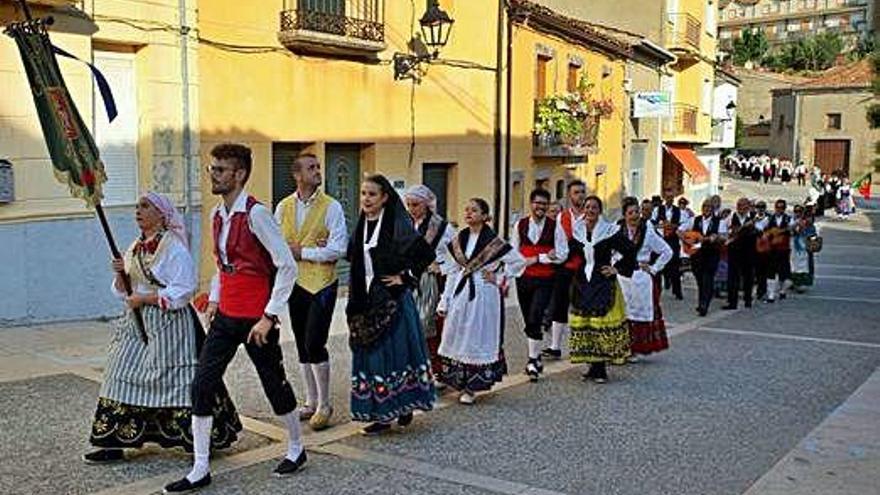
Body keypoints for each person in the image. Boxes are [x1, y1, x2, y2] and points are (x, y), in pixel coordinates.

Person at [165, 145, 305, 493]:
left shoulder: (256, 214)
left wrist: (269, 317)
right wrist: (213, 300)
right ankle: (200, 468)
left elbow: (286, 265)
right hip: (226, 316)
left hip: (257, 318)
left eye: (220, 170)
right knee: (201, 384)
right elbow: (221, 265)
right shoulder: (217, 213)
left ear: (239, 174)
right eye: (212, 169)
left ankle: (296, 447)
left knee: (275, 384)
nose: (213, 174)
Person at [84, 192, 240, 466]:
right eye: (136, 206)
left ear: (161, 214)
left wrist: (145, 298)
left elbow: (184, 290)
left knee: (177, 381)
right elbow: (124, 289)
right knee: (119, 373)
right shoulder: (134, 247)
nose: (138, 211)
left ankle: (197, 441)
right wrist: (120, 274)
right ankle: (112, 442)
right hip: (136, 324)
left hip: (171, 325)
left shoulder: (174, 249)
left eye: (145, 206)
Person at [347, 175, 436, 435]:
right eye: (363, 193)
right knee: (372, 357)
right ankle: (381, 412)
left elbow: (424, 254)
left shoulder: (398, 224)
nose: (366, 199)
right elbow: (354, 256)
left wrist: (405, 278)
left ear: (385, 197)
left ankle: (400, 406)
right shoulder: (362, 224)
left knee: (394, 356)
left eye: (372, 194)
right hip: (364, 300)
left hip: (392, 301)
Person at [274, 153, 347, 431]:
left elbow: (338, 248)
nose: (318, 172)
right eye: (312, 168)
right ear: (297, 175)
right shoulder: (283, 207)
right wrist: (315, 251)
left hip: (322, 284)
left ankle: (325, 403)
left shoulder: (332, 207)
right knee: (302, 344)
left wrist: (301, 251)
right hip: (295, 283)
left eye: (318, 167)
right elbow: (275, 244)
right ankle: (310, 400)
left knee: (315, 342)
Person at [438, 198, 527, 403]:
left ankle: (472, 387)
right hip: (462, 292)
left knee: (477, 335)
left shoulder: (494, 242)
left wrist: (498, 278)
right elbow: (452, 271)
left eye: (474, 210)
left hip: (484, 294)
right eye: (467, 209)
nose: (469, 213)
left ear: (485, 216)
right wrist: (446, 300)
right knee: (457, 333)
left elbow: (518, 263)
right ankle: (459, 382)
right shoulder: (459, 240)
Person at [568, 195, 636, 383]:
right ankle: (592, 365)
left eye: (594, 208)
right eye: (587, 207)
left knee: (600, 321)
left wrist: (617, 268)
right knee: (587, 323)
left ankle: (600, 368)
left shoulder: (609, 231)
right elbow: (569, 253)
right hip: (583, 281)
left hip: (602, 280)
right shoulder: (577, 230)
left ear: (600, 211)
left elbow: (630, 249)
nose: (590, 210)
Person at [511, 189, 568, 381]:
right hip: (524, 278)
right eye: (537, 203)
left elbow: (562, 254)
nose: (541, 207)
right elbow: (514, 254)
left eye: (544, 204)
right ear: (531, 204)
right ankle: (535, 359)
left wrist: (535, 259)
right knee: (528, 318)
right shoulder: (520, 225)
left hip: (545, 279)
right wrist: (542, 256)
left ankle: (532, 360)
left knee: (536, 315)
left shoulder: (555, 226)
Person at [403, 185, 456, 381]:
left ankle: (436, 368)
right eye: (408, 205)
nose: (411, 209)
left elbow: (456, 256)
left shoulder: (442, 227)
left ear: (426, 205)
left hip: (434, 282)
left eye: (415, 204)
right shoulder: (405, 224)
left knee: (429, 324)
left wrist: (440, 267)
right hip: (410, 280)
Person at [617, 197, 672, 361]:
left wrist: (654, 269)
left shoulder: (647, 231)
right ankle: (620, 347)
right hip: (621, 277)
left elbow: (667, 251)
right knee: (621, 314)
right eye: (630, 213)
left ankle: (634, 348)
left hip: (640, 277)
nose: (634, 216)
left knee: (636, 316)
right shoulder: (617, 230)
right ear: (624, 215)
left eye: (637, 212)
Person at [542, 180, 587, 360]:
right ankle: (555, 346)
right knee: (560, 305)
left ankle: (585, 344)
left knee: (584, 306)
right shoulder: (562, 217)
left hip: (584, 267)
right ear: (569, 195)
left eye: (582, 192)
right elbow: (558, 240)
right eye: (576, 192)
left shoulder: (592, 215)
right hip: (564, 267)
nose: (580, 195)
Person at [680, 199, 727, 317]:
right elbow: (679, 230)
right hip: (697, 254)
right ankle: (702, 301)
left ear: (713, 209)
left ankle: (704, 305)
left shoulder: (719, 222)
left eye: (709, 207)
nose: (706, 209)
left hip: (711, 254)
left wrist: (716, 238)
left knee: (708, 279)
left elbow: (723, 237)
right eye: (704, 206)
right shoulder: (694, 220)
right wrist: (687, 240)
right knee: (700, 280)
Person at [723, 197, 760, 310]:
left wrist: (753, 227)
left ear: (748, 207)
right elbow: (724, 230)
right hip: (734, 251)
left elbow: (760, 231)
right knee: (733, 277)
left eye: (744, 206)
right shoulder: (731, 218)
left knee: (748, 276)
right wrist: (731, 233)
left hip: (749, 251)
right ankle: (732, 302)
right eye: (739, 206)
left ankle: (748, 299)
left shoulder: (754, 218)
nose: (741, 208)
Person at [652, 189, 683, 300]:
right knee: (659, 265)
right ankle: (657, 290)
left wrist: (672, 226)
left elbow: (681, 225)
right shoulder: (657, 210)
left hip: (673, 240)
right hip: (661, 239)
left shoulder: (678, 211)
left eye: (671, 198)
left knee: (675, 266)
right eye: (668, 197)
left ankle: (677, 291)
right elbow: (653, 225)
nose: (669, 200)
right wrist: (662, 226)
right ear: (664, 198)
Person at [764, 199, 795, 303]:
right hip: (772, 249)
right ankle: (771, 294)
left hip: (784, 249)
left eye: (781, 207)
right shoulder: (769, 219)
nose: (779, 209)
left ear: (784, 209)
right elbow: (763, 231)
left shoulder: (788, 219)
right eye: (777, 207)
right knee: (770, 271)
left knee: (785, 272)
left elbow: (793, 230)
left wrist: (786, 230)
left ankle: (782, 290)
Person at [791, 205, 817, 292]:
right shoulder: (795, 221)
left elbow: (813, 235)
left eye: (799, 212)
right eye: (796, 211)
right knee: (795, 264)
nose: (797, 213)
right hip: (796, 247)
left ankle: (803, 282)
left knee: (805, 265)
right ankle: (795, 282)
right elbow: (792, 231)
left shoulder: (810, 226)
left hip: (806, 247)